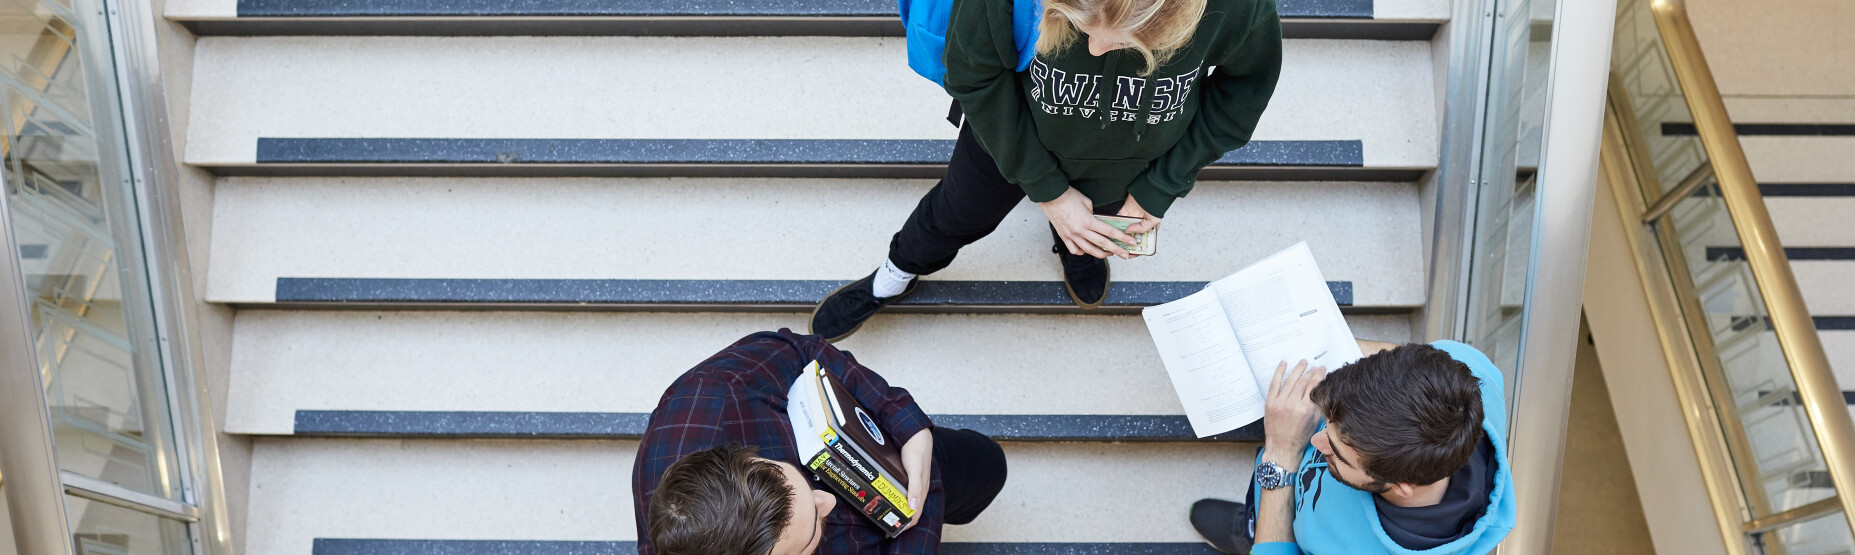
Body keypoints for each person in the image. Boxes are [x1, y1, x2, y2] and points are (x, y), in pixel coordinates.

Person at [809, 0, 1285, 340]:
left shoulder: (1236, 7)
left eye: (1125, 41)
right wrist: (1051, 195)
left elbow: (1245, 89)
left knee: (1091, 228)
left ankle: (1076, 249)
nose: (1096, 49)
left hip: (1130, 161)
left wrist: (1160, 188)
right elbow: (972, 73)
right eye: (1076, 21)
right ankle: (893, 275)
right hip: (1008, 140)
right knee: (950, 217)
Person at [632, 330, 1008, 555]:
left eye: (788, 472)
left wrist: (906, 424)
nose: (826, 498)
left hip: (900, 456)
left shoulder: (718, 394)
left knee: (987, 466)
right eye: (811, 532)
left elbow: (802, 351)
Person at [1189, 341, 1517, 554]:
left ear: (1403, 486)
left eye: (1336, 450)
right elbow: (1382, 359)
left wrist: (1282, 451)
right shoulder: (1467, 368)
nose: (1314, 443)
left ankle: (1251, 533)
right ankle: (1254, 515)